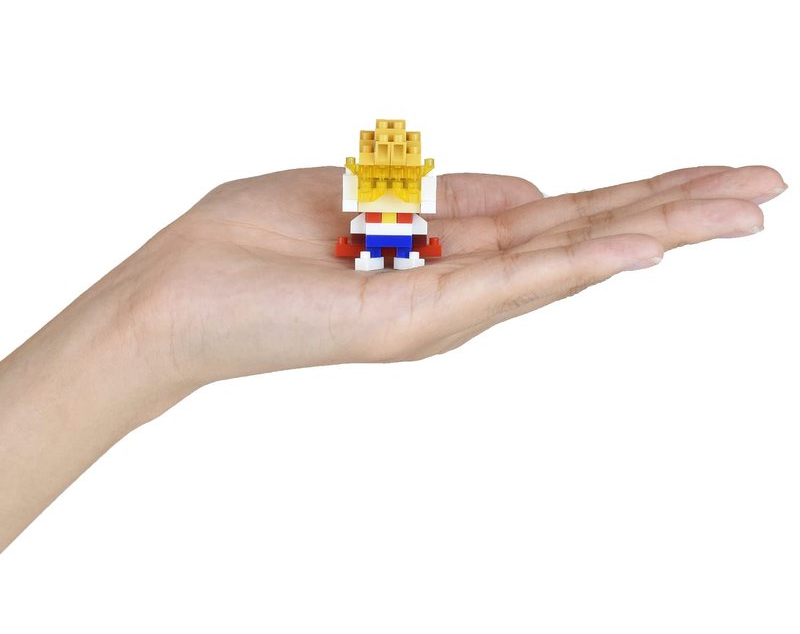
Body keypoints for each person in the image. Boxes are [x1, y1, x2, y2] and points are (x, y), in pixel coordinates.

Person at [0, 163, 786, 551]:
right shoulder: (373, 209)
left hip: (390, 243)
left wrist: (145, 325)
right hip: (381, 244)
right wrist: (149, 320)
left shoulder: (392, 204)